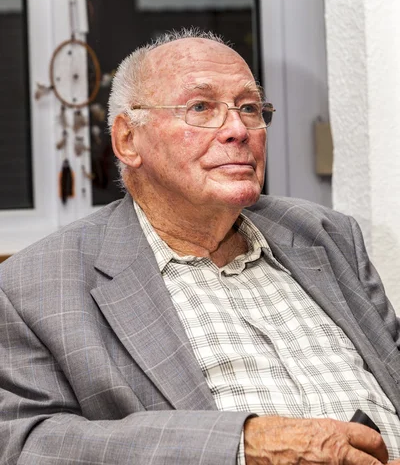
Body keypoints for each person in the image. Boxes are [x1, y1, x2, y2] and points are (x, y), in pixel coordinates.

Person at [0, 29, 399, 465]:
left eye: (249, 108)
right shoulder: (35, 287)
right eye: (201, 108)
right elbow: (25, 444)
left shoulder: (325, 234)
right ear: (128, 141)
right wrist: (239, 446)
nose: (237, 130)